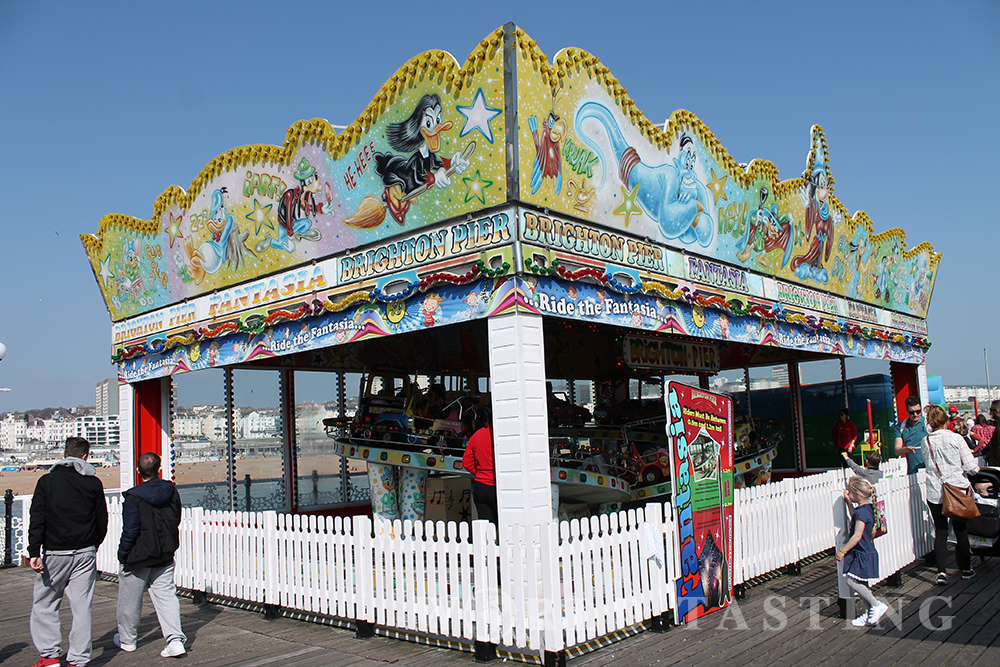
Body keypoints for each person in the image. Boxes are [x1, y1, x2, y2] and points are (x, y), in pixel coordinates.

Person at [27, 437, 108, 667]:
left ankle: (50, 655)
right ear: (85, 456)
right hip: (85, 551)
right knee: (82, 606)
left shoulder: (47, 481)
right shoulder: (93, 483)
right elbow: (102, 521)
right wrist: (94, 545)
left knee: (45, 604)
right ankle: (78, 659)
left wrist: (34, 550)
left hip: (55, 551)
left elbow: (38, 518)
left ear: (65, 454)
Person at [114, 452, 186, 658]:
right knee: (166, 596)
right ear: (159, 469)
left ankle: (127, 640)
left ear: (138, 471)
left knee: (130, 599)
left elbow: (130, 530)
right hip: (164, 551)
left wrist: (122, 555)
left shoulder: (133, 497)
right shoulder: (170, 490)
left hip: (139, 555)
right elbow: (175, 518)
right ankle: (175, 640)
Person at [922, 404, 980, 584]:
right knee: (960, 530)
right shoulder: (956, 438)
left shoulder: (926, 441)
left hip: (935, 491)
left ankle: (941, 572)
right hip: (956, 489)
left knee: (940, 531)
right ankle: (966, 568)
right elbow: (971, 467)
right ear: (946, 420)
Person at [836, 476, 888, 627]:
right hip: (867, 552)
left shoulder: (862, 512)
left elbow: (857, 535)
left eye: (850, 492)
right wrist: (848, 503)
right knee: (863, 584)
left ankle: (876, 604)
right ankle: (868, 613)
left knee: (851, 581)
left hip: (862, 553)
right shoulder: (866, 509)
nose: (849, 493)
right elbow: (855, 517)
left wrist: (842, 551)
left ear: (857, 493)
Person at [462, 408, 497, 524]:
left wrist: (479, 473)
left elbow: (466, 463)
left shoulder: (477, 435)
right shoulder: (501, 435)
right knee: (504, 528)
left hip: (480, 486)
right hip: (497, 486)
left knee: (485, 527)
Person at [894, 396, 927, 474]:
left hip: (929, 470)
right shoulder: (901, 426)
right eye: (912, 412)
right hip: (912, 472)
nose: (915, 414)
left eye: (918, 411)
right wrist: (906, 449)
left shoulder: (928, 423)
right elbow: (897, 450)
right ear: (906, 411)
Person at [983, 400, 1000, 467]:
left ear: (998, 411)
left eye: (992, 410)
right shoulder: (997, 425)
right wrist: (982, 452)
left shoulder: (999, 428)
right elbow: (992, 442)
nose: (990, 412)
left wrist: (997, 461)